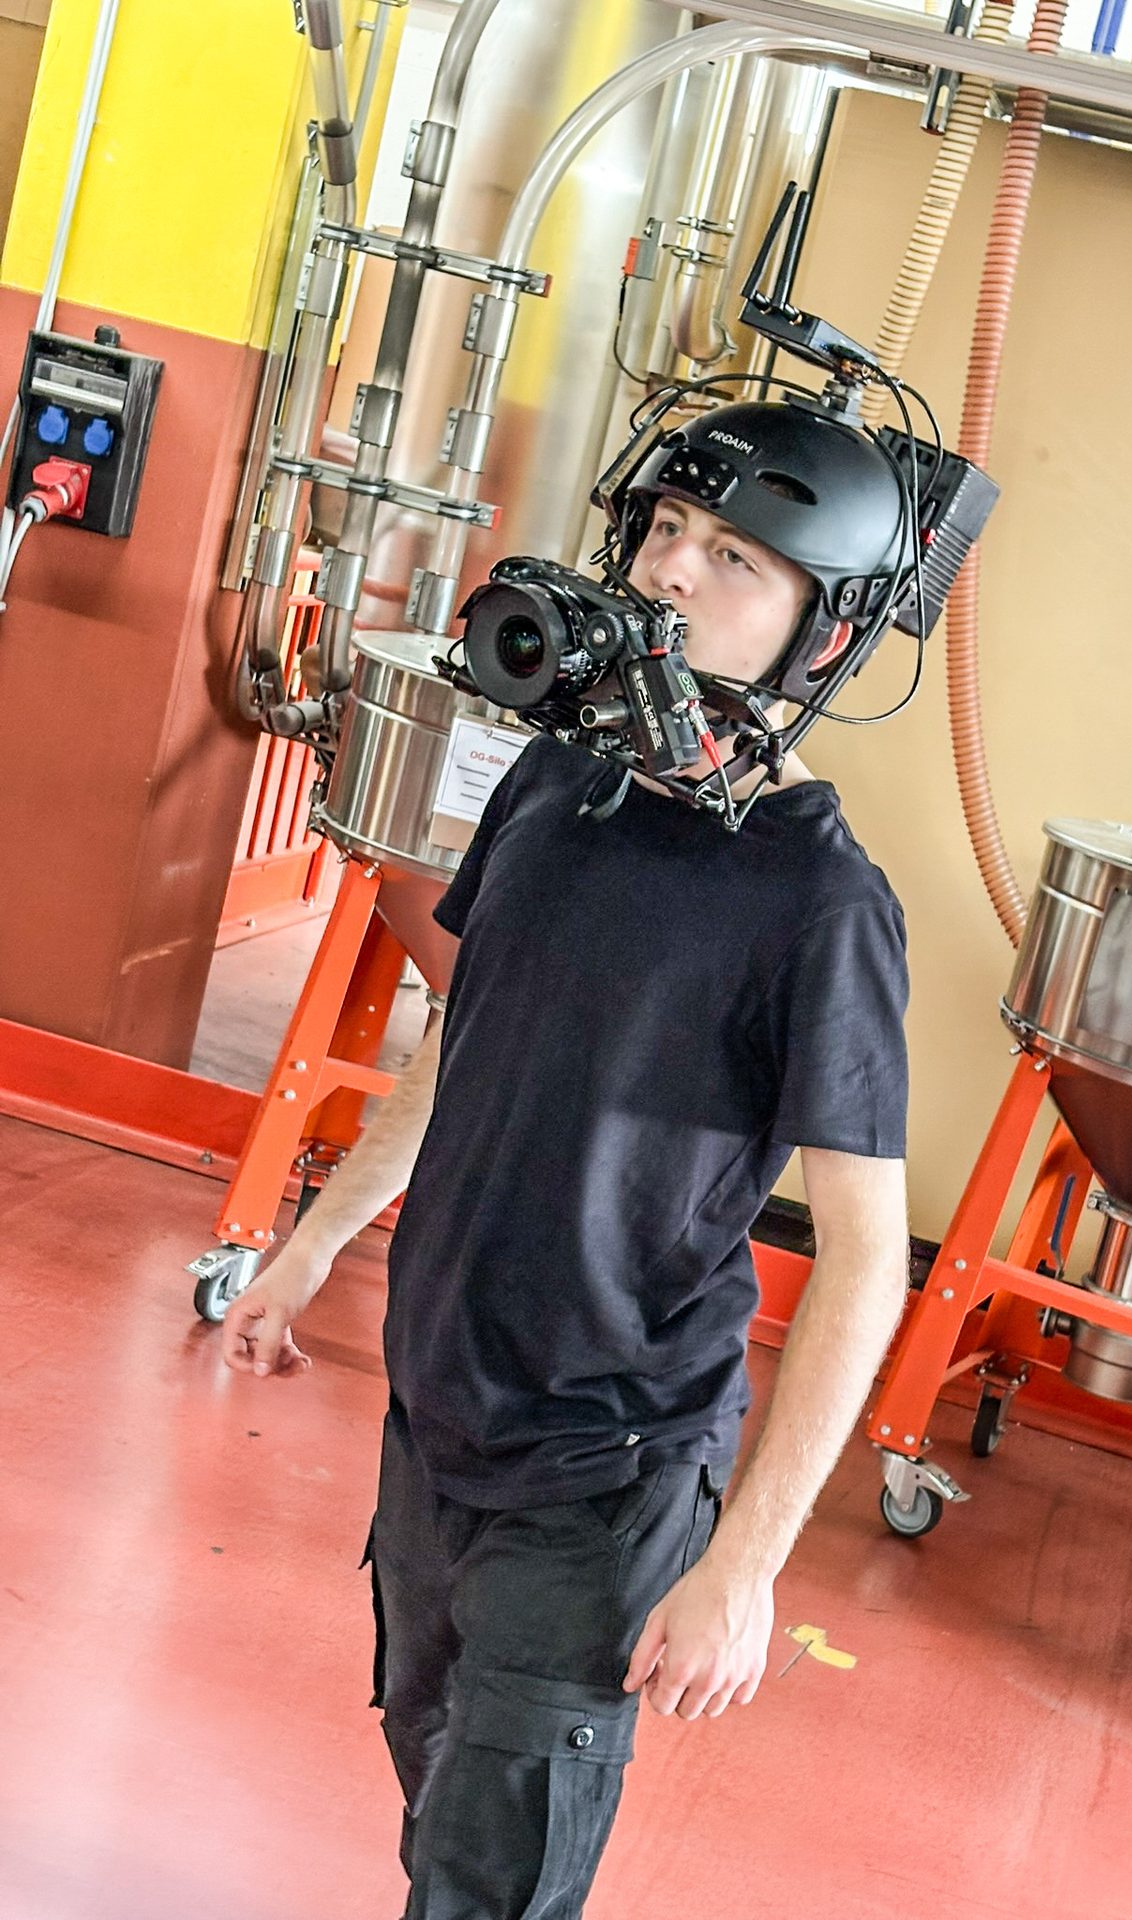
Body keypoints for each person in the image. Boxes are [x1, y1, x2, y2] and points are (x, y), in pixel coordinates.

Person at [222, 395, 913, 1919]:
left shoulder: (820, 903)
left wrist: (745, 1561)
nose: (671, 573)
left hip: (607, 1474)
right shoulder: (558, 787)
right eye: (666, 530)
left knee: (486, 1881)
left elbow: (867, 1257)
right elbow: (459, 1042)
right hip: (439, 1421)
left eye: (734, 557)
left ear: (822, 636)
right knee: (434, 1792)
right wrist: (318, 1242)